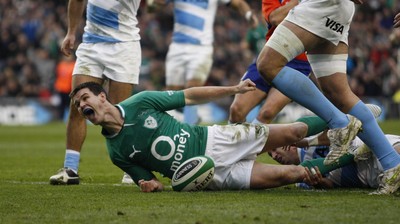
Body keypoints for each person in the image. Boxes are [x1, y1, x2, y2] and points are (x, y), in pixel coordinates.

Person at [69, 80, 324, 192]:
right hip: (210, 178)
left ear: (102, 96)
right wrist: (148, 186)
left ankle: (344, 118)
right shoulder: (116, 153)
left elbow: (189, 96)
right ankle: (348, 164)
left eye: (84, 99)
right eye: (78, 106)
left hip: (218, 138)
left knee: (295, 131)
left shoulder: (141, 102)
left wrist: (233, 89)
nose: (81, 107)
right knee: (294, 174)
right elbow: (152, 183)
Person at [255, 0, 400, 194]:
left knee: (268, 64)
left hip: (324, 3)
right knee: (338, 94)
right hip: (339, 9)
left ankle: (340, 124)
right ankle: (392, 165)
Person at [49, 0, 142, 185]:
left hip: (124, 45)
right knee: (77, 106)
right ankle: (70, 168)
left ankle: (131, 169)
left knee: (120, 113)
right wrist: (71, 32)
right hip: (91, 45)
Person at [151, 0, 259, 125]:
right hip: (177, 46)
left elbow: (238, 3)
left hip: (201, 47)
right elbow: (157, 4)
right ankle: (186, 120)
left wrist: (249, 14)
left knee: (193, 87)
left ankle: (189, 128)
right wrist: (152, 5)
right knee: (172, 92)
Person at [229, 0, 314, 124]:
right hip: (269, 57)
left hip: (299, 63)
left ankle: (251, 142)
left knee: (267, 113)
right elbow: (275, 18)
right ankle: (230, 142)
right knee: (236, 110)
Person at [270, 132, 400, 191]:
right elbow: (331, 185)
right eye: (271, 156)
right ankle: (354, 153)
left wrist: (305, 141)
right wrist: (319, 182)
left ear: (285, 142)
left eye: (275, 149)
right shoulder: (300, 179)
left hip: (372, 148)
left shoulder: (307, 135)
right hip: (368, 176)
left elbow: (338, 131)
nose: (275, 156)